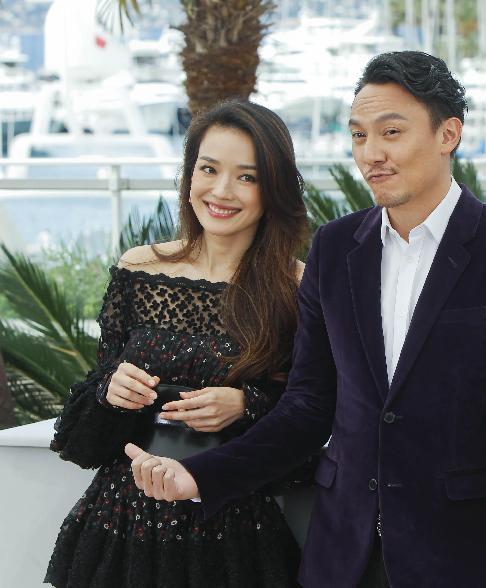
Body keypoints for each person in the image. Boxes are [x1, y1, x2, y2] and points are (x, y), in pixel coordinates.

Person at [123, 51, 486, 588]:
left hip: (469, 551)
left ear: (448, 134)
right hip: (343, 555)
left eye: (391, 132)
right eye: (359, 136)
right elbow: (308, 406)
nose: (371, 154)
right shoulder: (335, 249)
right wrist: (199, 475)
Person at [45, 100, 309, 588]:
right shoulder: (139, 268)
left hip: (232, 536)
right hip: (120, 524)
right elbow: (84, 436)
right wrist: (110, 392)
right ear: (190, 175)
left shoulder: (297, 288)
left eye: (247, 177)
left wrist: (245, 404)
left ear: (273, 188)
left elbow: (312, 418)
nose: (222, 191)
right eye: (208, 169)